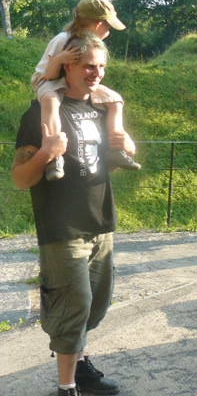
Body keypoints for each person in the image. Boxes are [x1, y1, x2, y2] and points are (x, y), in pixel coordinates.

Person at [12, 33, 136, 396]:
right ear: (68, 66)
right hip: (62, 228)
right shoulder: (40, 113)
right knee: (73, 305)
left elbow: (102, 163)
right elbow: (21, 179)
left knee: (95, 304)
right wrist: (44, 155)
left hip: (101, 222)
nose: (96, 73)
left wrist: (127, 144)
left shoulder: (103, 109)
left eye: (101, 66)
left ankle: (79, 366)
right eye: (88, 66)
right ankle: (66, 387)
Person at [31, 0, 141, 181]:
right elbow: (48, 75)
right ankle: (54, 155)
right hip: (49, 82)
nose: (108, 32)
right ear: (99, 24)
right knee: (51, 101)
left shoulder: (94, 43)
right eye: (108, 27)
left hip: (77, 82)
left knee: (114, 99)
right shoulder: (63, 39)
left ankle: (116, 149)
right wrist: (59, 60)